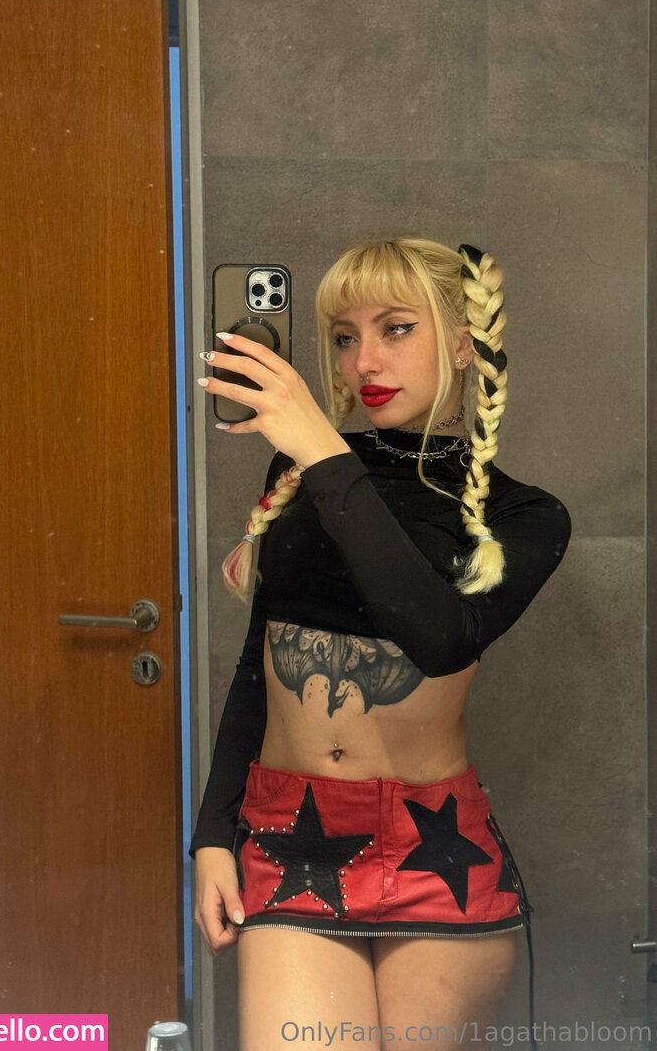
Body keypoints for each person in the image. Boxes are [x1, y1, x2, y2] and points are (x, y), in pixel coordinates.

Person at [191, 238, 571, 1051]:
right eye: (343, 336)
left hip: (434, 846)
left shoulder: (522, 516)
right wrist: (213, 834)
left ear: (463, 344)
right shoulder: (301, 473)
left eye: (395, 328)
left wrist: (323, 453)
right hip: (288, 829)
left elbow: (440, 637)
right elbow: (258, 666)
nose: (363, 360)